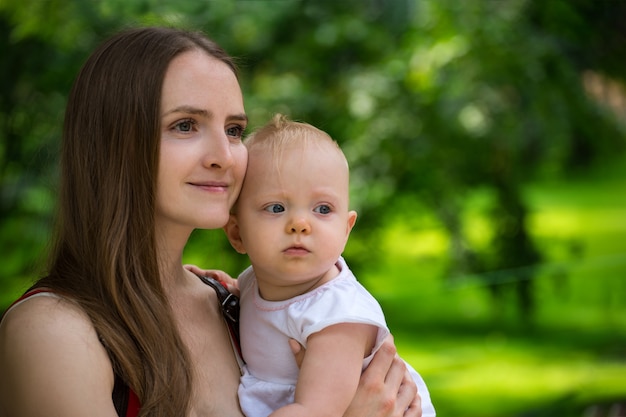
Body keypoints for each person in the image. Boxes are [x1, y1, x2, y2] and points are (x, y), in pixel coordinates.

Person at [0, 26, 424, 417]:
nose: (224, 155)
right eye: (186, 125)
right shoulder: (54, 332)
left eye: (235, 130)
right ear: (111, 144)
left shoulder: (233, 301)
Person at [222, 114, 436, 417]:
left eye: (322, 209)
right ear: (236, 233)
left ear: (346, 230)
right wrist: (228, 287)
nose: (300, 224)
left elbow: (313, 411)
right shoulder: (256, 281)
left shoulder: (338, 317)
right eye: (277, 208)